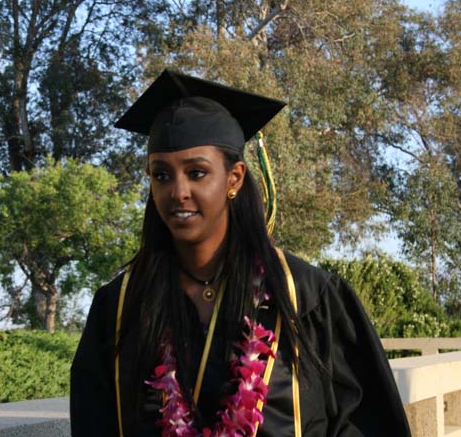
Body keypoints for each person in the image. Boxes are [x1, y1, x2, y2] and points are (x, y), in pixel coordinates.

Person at [69, 69, 411, 437]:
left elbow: (365, 425)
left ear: (233, 179)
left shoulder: (307, 299)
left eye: (197, 173)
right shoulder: (120, 308)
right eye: (162, 175)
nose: (178, 191)